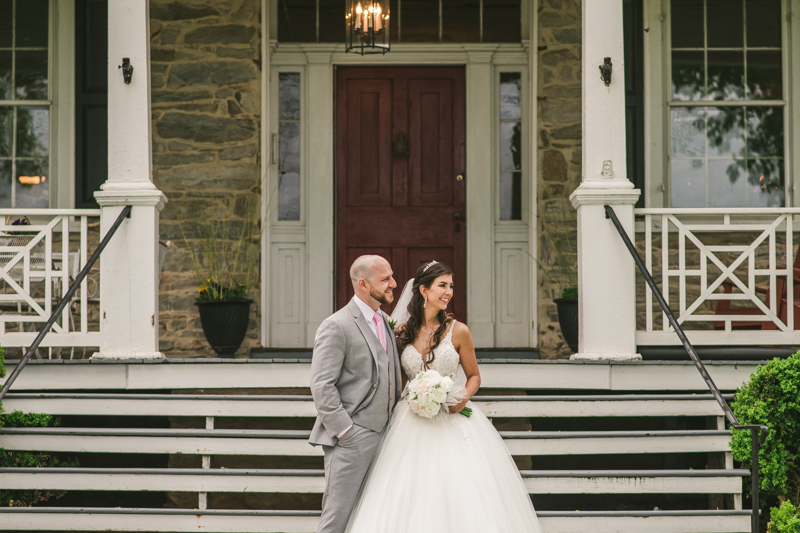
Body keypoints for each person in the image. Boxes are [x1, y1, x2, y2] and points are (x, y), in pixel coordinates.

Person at [345, 261, 543, 533]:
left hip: (453, 417)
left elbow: (474, 376)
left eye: (451, 286)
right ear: (424, 290)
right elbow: (398, 380)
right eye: (442, 286)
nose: (448, 291)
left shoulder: (459, 331)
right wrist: (412, 398)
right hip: (410, 421)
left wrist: (463, 397)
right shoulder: (402, 332)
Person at [309, 255, 403, 533]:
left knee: (372, 516)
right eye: (385, 279)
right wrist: (344, 431)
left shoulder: (385, 320)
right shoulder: (336, 325)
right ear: (363, 284)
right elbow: (321, 384)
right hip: (352, 438)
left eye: (392, 276)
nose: (393, 284)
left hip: (388, 436)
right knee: (336, 518)